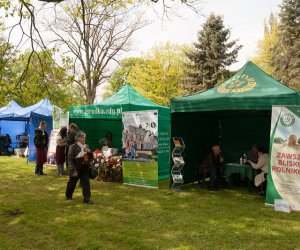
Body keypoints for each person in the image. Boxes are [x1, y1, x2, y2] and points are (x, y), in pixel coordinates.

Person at [65, 131, 93, 204]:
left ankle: (87, 199)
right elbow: (70, 160)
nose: (84, 139)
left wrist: (89, 151)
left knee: (86, 183)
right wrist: (73, 170)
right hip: (76, 168)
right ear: (78, 138)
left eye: (84, 137)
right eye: (82, 137)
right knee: (72, 183)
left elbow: (91, 157)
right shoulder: (72, 147)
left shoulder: (86, 146)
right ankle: (68, 196)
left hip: (84, 168)